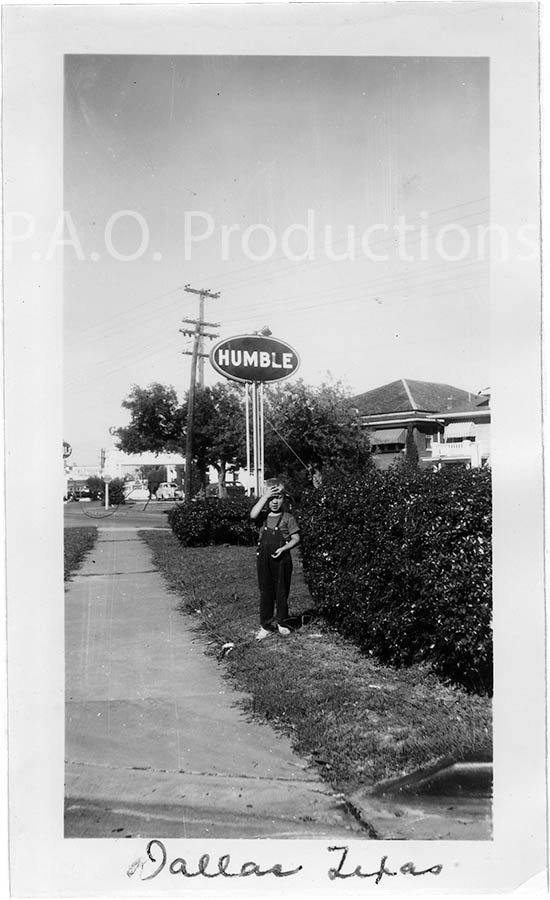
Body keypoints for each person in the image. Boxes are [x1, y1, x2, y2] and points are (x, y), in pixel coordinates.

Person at [250, 480, 301, 641]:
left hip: (282, 561)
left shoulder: (288, 518)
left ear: (283, 498)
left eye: (278, 497)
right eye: (271, 498)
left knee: (281, 592)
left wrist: (284, 548)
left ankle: (282, 622)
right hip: (264, 561)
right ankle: (266, 625)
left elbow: (296, 538)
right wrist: (264, 497)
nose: (274, 502)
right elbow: (252, 514)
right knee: (266, 592)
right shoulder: (263, 517)